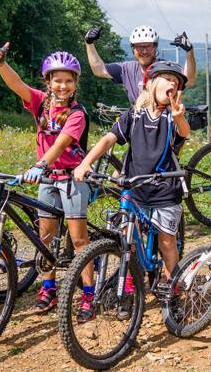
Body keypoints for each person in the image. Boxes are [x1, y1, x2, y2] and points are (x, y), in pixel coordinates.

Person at [74, 60, 191, 315]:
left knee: (167, 242)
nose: (172, 84)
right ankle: (127, 288)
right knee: (129, 240)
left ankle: (173, 290)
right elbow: (108, 140)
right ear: (150, 83)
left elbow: (184, 132)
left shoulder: (174, 116)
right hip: (135, 188)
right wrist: (85, 163)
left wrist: (180, 118)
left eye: (176, 82)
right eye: (167, 79)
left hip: (163, 190)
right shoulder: (134, 115)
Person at [0, 43, 94, 315]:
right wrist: (1, 64)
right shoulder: (40, 103)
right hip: (48, 180)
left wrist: (40, 164)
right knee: (45, 238)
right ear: (48, 82)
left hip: (71, 179)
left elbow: (62, 142)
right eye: (57, 80)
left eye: (69, 81)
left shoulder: (77, 113)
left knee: (79, 240)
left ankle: (89, 295)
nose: (63, 86)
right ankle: (49, 288)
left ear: (75, 83)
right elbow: (17, 84)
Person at [84, 24, 197, 104]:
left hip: (163, 122)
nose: (144, 51)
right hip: (138, 122)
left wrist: (189, 52)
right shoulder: (127, 69)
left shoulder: (166, 68)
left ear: (155, 47)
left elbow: (189, 80)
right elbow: (99, 70)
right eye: (139, 47)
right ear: (133, 49)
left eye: (148, 46)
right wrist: (89, 43)